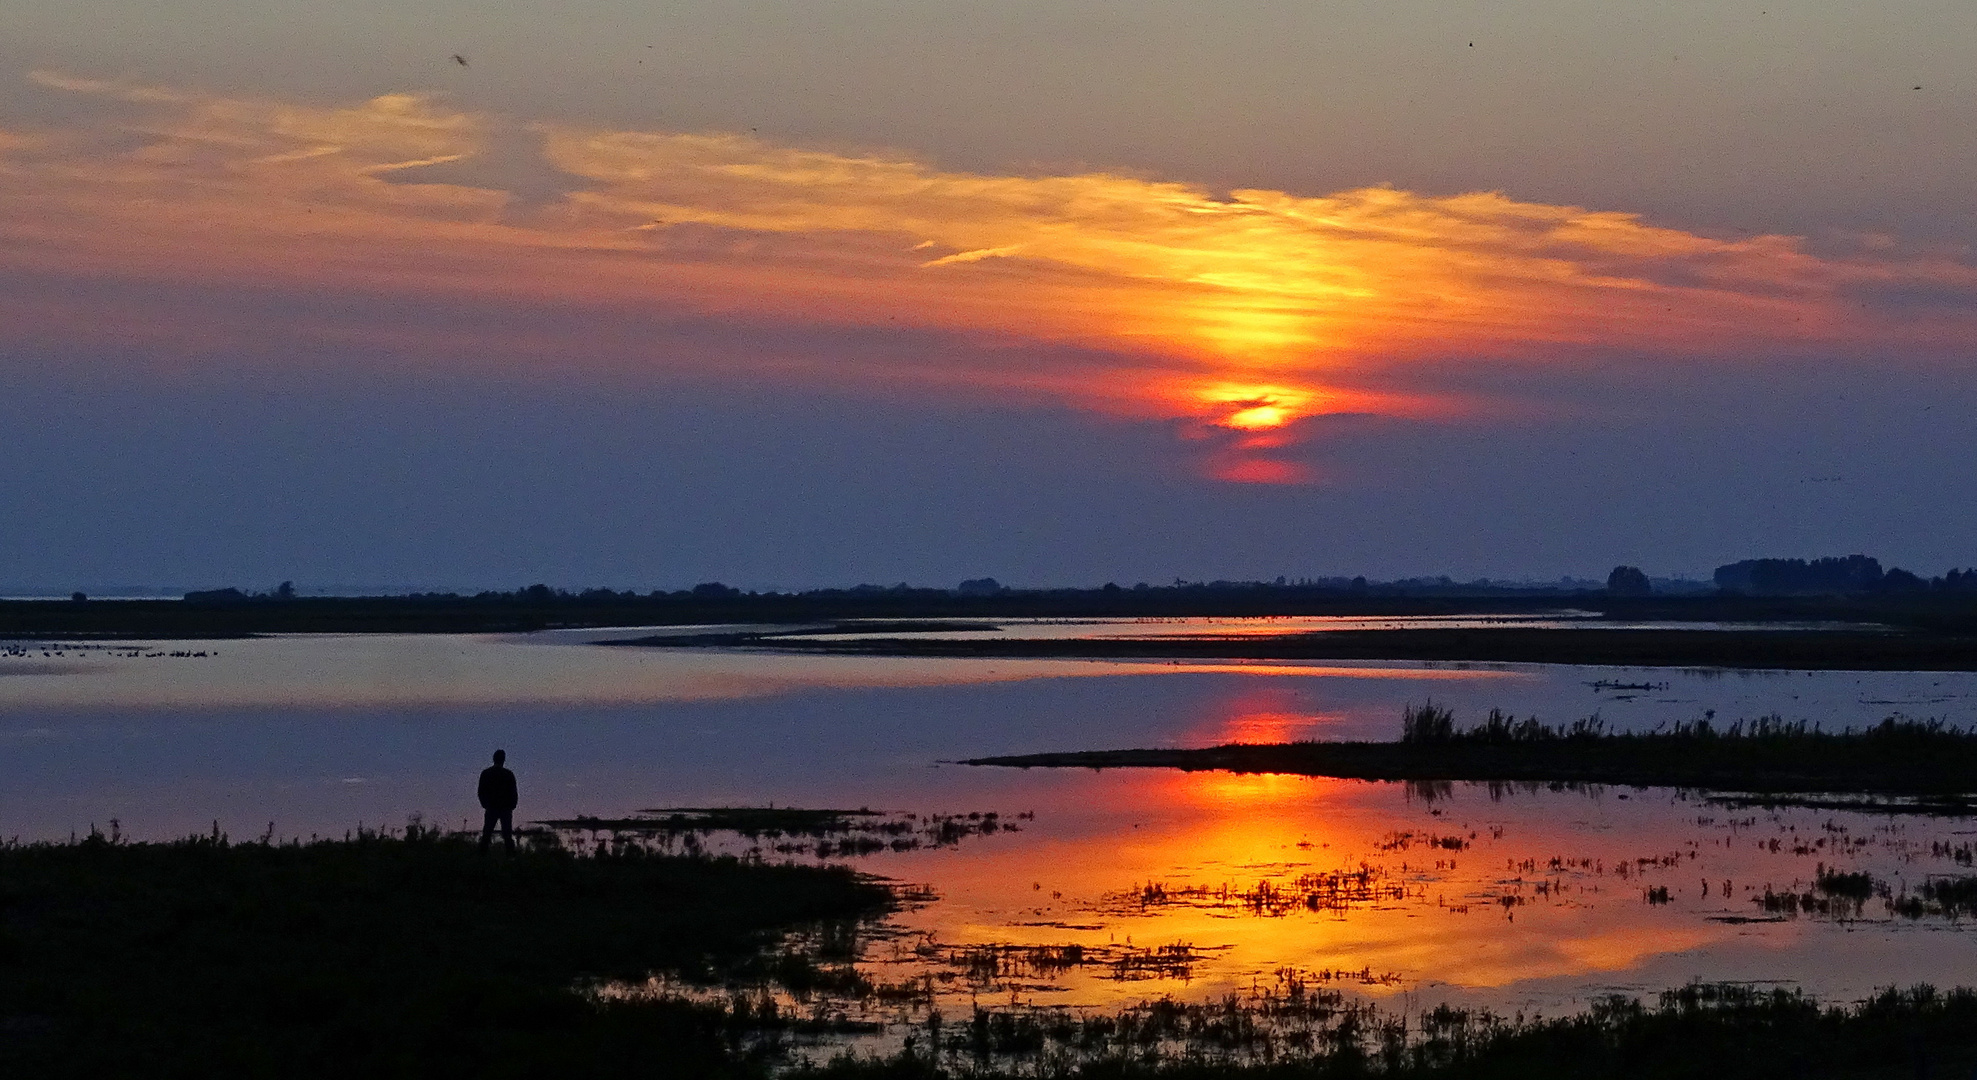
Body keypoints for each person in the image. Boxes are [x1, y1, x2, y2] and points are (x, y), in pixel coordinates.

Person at [477, 749, 518, 853]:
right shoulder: (508, 774)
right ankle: (511, 858)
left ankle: (482, 857)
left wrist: (485, 804)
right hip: (504, 808)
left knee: (487, 834)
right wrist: (512, 805)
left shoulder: (486, 773)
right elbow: (513, 792)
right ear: (503, 760)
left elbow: (481, 791)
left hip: (492, 807)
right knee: (507, 835)